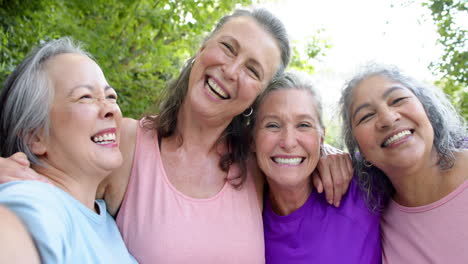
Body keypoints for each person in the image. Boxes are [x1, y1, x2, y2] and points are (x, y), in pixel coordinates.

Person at [0, 8, 352, 263]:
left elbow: (294, 149)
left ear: (257, 98)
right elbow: (45, 182)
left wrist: (325, 152)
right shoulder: (125, 141)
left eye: (252, 69)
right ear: (201, 49)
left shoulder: (257, 165)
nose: (230, 70)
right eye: (228, 48)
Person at [0, 38, 137, 263]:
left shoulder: (105, 219)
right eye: (85, 97)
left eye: (111, 96)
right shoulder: (34, 200)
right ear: (35, 136)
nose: (110, 109)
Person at [339, 64, 468, 263]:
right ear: (359, 149)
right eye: (366, 116)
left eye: (398, 100)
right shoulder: (376, 224)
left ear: (427, 109)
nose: (388, 119)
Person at [251, 71, 381, 264]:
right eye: (272, 125)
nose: (288, 142)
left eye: (303, 125)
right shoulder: (245, 216)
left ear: (321, 137)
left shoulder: (363, 182)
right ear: (252, 139)